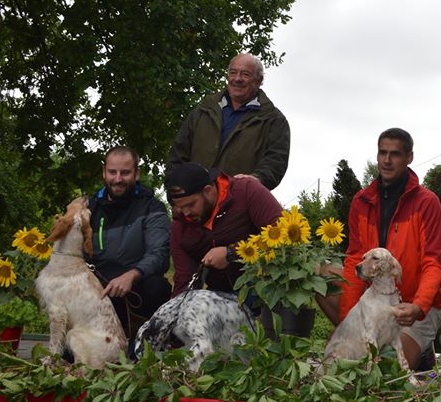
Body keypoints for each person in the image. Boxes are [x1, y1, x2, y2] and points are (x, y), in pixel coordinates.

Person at [339, 128, 441, 370]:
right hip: (375, 299)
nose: (387, 161)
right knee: (324, 275)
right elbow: (355, 258)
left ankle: (422, 349)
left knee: (389, 374)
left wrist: (418, 306)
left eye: (395, 154)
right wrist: (347, 322)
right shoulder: (361, 201)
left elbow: (434, 262)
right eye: (382, 153)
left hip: (413, 305)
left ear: (409, 157)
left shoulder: (427, 202)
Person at [166, 52, 290, 191]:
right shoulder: (203, 111)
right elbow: (177, 154)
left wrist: (257, 179)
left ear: (259, 80)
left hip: (238, 203)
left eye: (245, 74)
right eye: (233, 72)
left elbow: (276, 161)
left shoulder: (273, 120)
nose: (237, 79)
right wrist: (174, 189)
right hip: (192, 202)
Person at [88, 146, 171, 340]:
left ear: (136, 173)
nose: (117, 179)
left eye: (125, 173)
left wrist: (132, 275)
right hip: (97, 288)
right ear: (104, 172)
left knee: (157, 287)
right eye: (112, 172)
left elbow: (159, 254)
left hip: (134, 288)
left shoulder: (153, 207)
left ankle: (144, 343)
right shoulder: (89, 208)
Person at [165, 161, 283, 296]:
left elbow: (281, 233)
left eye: (191, 205)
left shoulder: (246, 190)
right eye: (180, 207)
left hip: (267, 285)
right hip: (221, 296)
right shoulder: (180, 226)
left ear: (208, 190)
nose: (186, 213)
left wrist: (231, 252)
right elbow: (184, 281)